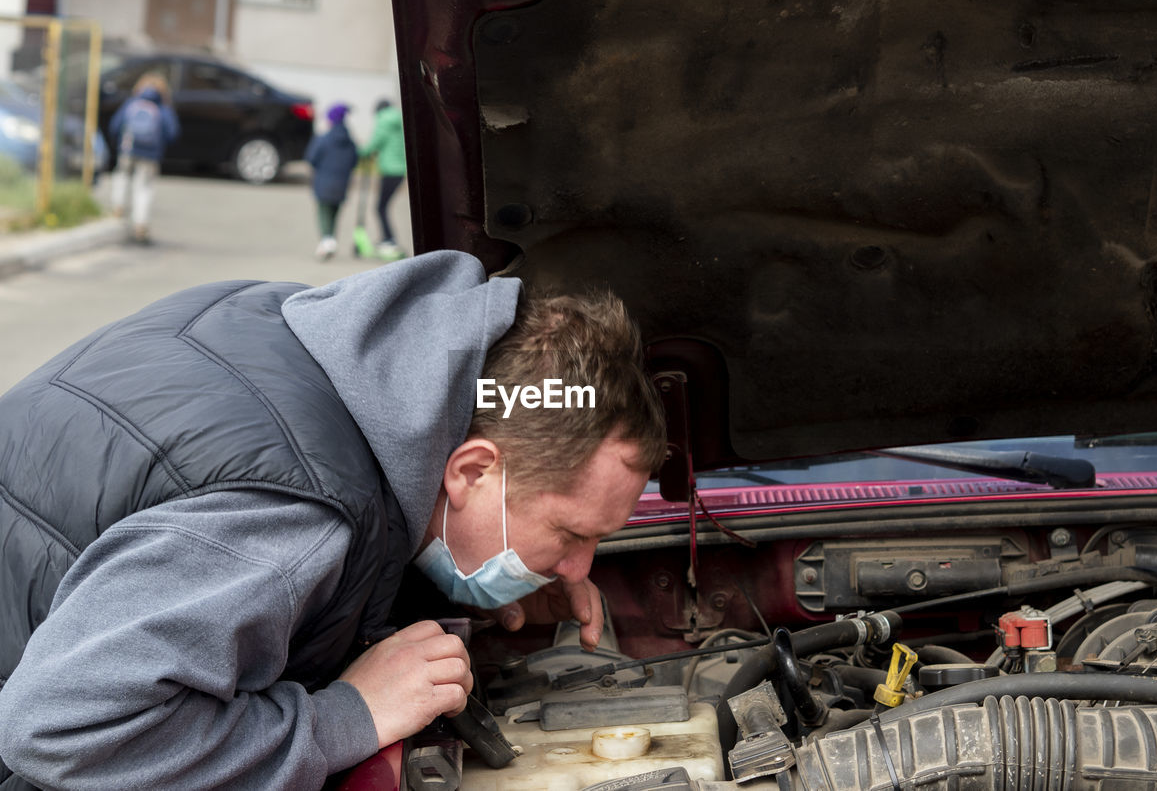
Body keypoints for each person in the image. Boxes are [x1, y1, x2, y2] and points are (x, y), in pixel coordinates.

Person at [0, 250, 666, 790]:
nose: (580, 566)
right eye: (572, 534)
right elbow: (62, 732)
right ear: (470, 471)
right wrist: (348, 716)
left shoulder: (336, 353)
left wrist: (467, 586)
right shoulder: (294, 513)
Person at [107, 73, 180, 245]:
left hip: (128, 148)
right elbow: (172, 132)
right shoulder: (162, 107)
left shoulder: (132, 103)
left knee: (122, 176)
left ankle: (118, 207)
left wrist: (119, 142)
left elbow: (115, 125)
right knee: (144, 188)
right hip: (150, 155)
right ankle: (140, 223)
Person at [305, 103, 360, 260]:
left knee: (323, 212)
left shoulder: (323, 139)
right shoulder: (350, 142)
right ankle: (330, 241)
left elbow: (311, 158)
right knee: (334, 213)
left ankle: (326, 241)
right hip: (342, 184)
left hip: (323, 183)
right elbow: (354, 161)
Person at [360, 98, 407, 260]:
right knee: (382, 206)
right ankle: (388, 239)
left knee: (380, 207)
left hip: (390, 171)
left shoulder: (384, 122)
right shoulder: (398, 121)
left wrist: (361, 153)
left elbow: (373, 144)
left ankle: (390, 240)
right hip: (400, 171)